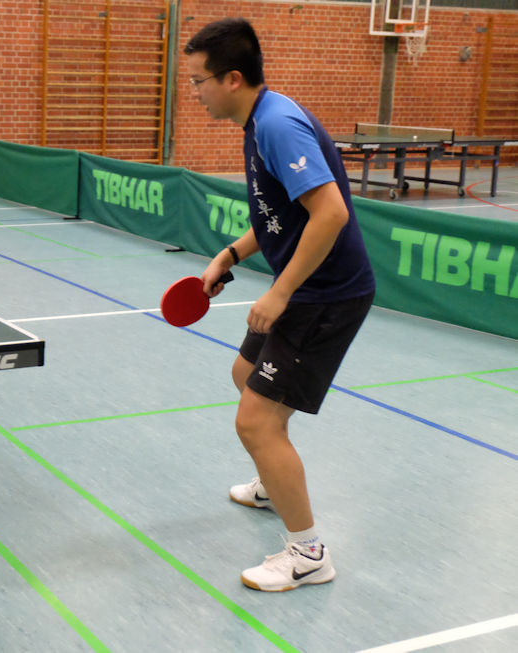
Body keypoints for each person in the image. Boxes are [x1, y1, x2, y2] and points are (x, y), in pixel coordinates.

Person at [184, 18, 376, 591]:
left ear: (232, 78)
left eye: (198, 81)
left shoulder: (277, 125)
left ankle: (308, 554)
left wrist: (280, 290)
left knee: (256, 420)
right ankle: (274, 484)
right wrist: (229, 255)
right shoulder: (258, 120)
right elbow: (279, 216)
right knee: (245, 375)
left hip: (326, 295)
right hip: (307, 287)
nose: (194, 92)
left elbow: (331, 213)